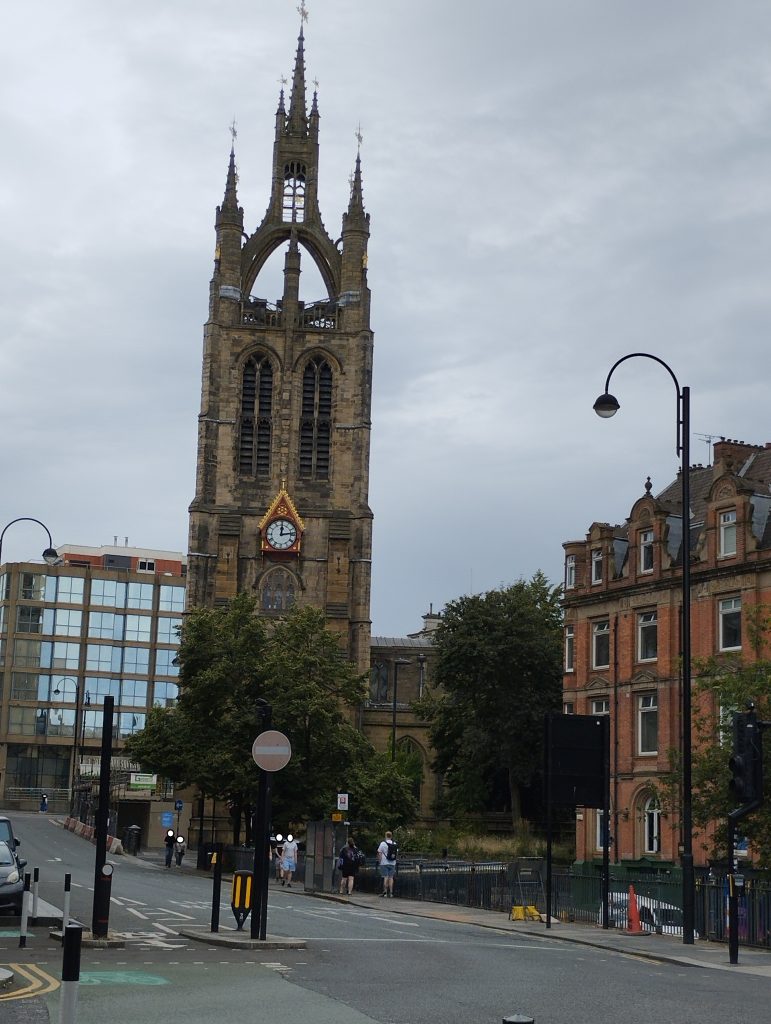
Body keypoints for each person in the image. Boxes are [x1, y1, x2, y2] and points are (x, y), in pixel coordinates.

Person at [377, 830, 398, 897]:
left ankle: (385, 892)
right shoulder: (394, 844)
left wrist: (380, 861)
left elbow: (379, 853)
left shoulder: (383, 843)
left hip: (384, 863)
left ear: (386, 836)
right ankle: (391, 893)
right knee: (391, 878)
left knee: (385, 877)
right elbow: (396, 853)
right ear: (391, 836)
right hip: (392, 863)